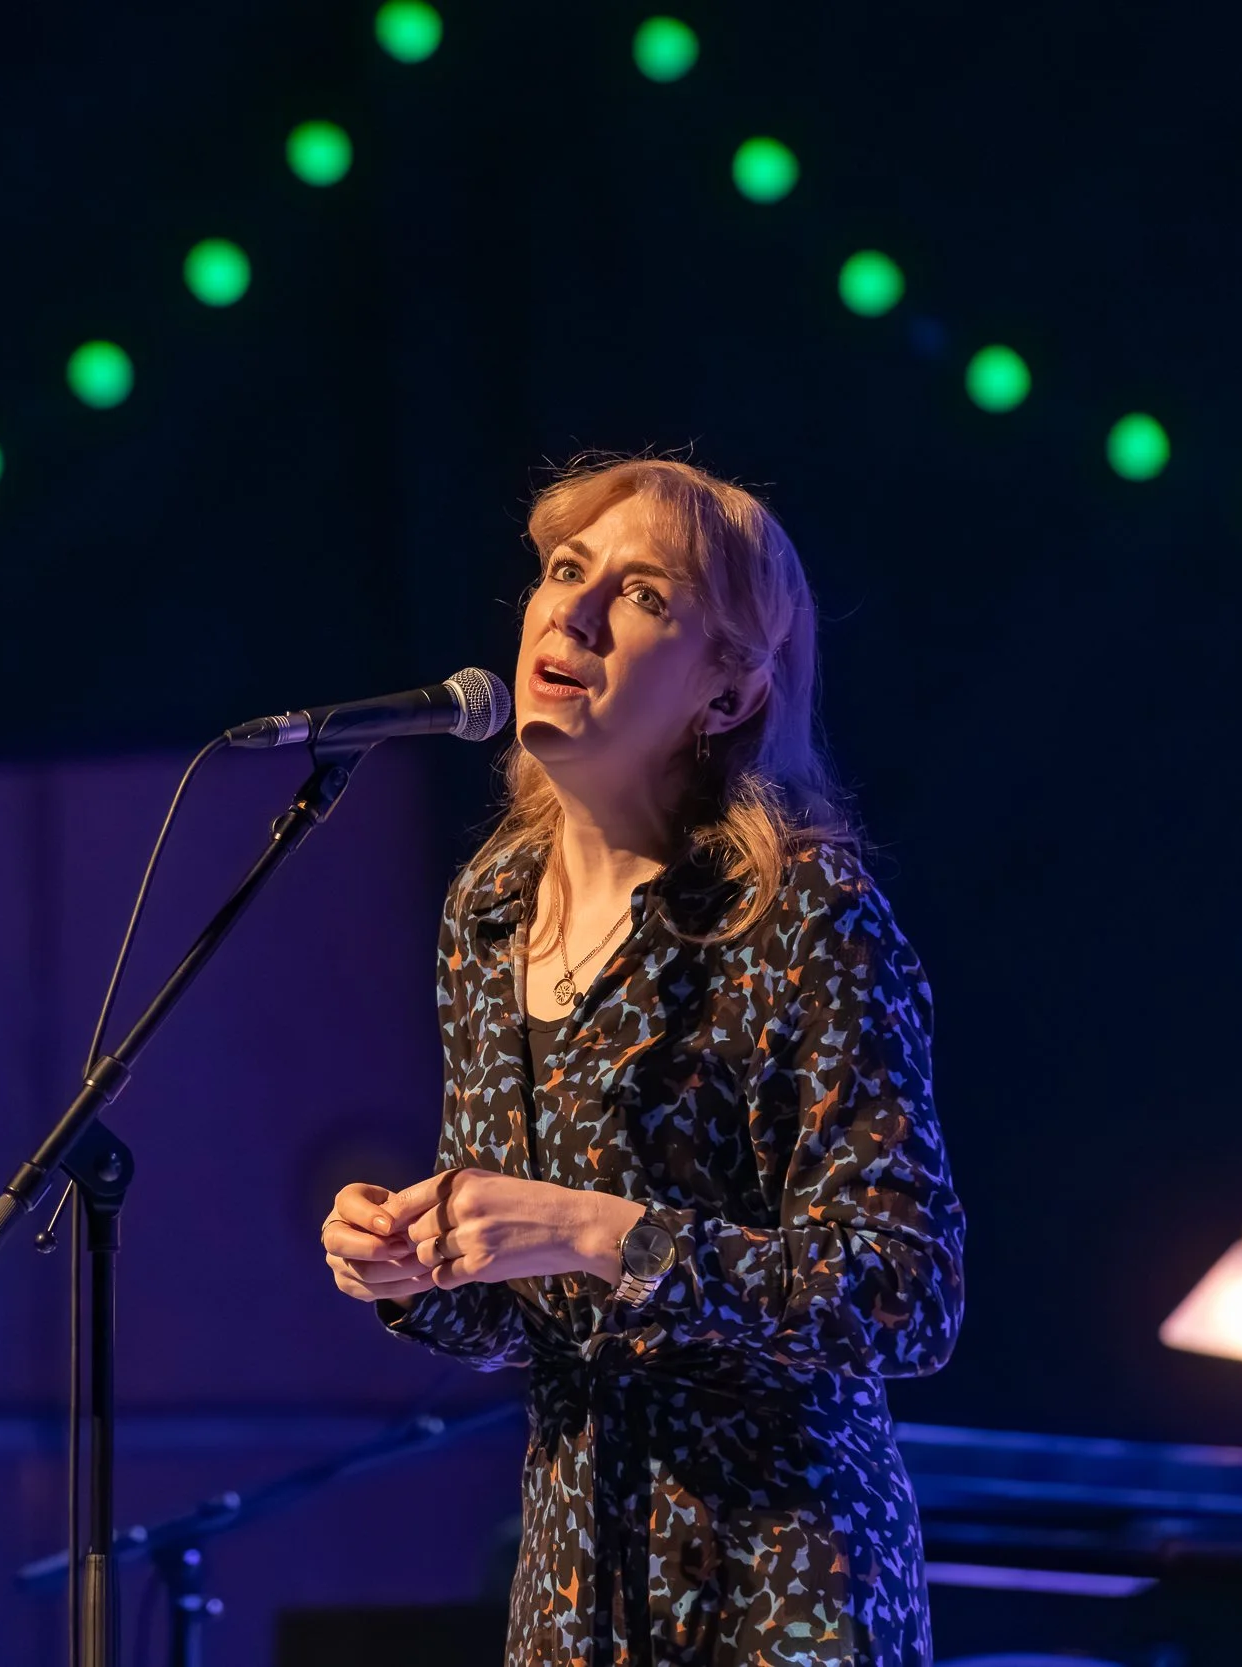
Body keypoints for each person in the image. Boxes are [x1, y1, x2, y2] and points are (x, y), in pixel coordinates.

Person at [321, 458, 965, 1666]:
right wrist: (414, 1260)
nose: (571, 611)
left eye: (643, 594)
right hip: (578, 1575)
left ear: (729, 690)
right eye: (564, 570)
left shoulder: (803, 915)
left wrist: (601, 1230)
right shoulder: (489, 910)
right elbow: (519, 1311)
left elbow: (905, 1293)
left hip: (781, 1579)